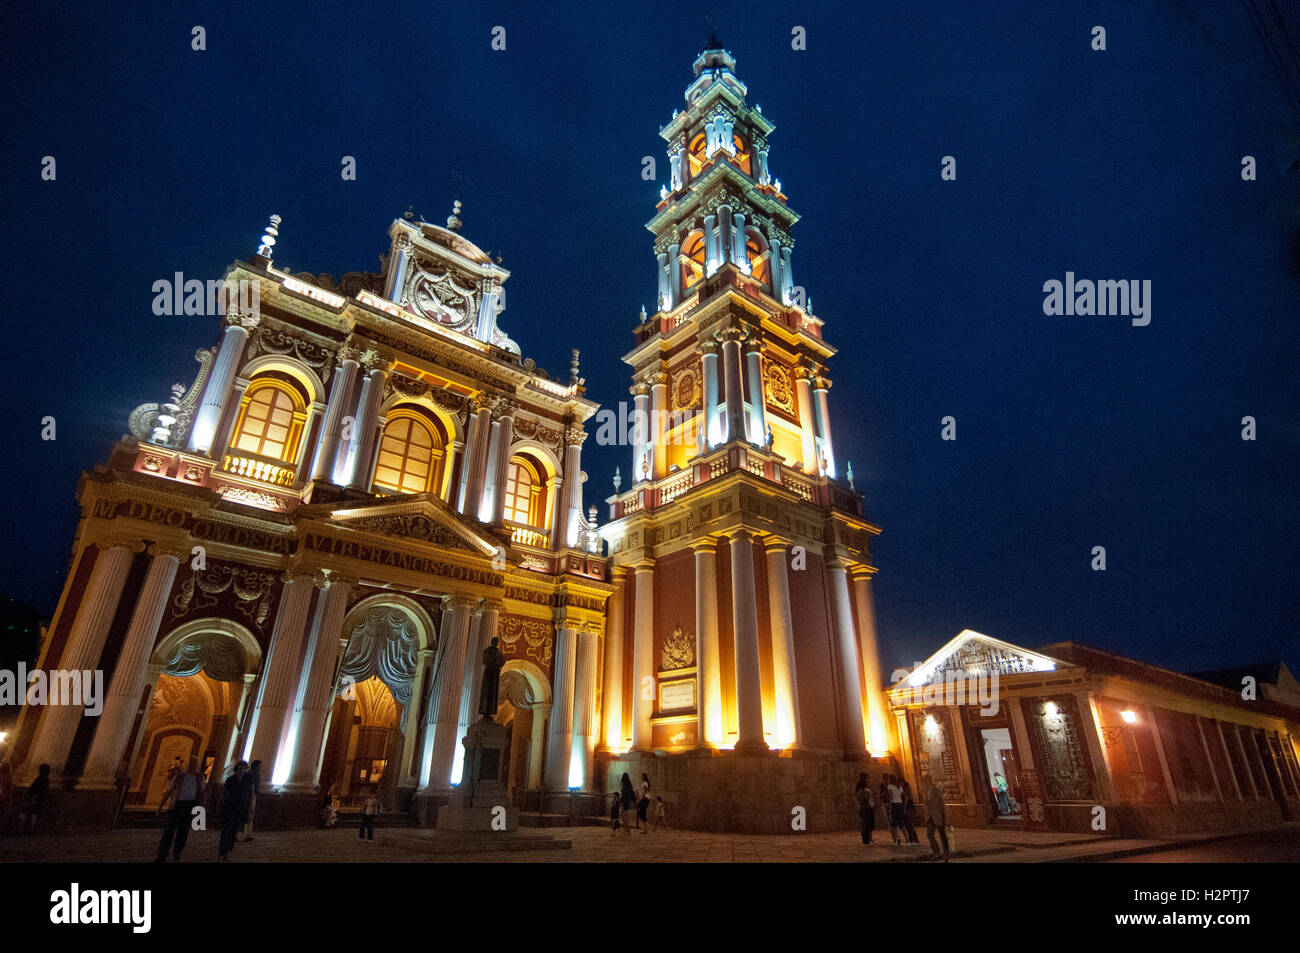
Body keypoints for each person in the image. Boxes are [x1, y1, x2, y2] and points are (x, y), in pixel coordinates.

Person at [155, 756, 206, 863]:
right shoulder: (180, 777)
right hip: (176, 806)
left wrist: (201, 809)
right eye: (191, 763)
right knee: (168, 832)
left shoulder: (200, 777)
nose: (192, 765)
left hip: (190, 806)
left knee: (183, 831)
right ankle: (162, 855)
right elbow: (169, 791)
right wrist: (160, 807)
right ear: (187, 765)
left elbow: (201, 793)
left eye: (195, 764)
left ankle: (177, 852)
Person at [218, 761, 252, 861]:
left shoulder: (248, 780)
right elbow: (224, 793)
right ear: (236, 769)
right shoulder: (230, 779)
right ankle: (221, 852)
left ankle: (227, 852)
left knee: (234, 831)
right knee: (226, 830)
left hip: (241, 809)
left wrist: (250, 807)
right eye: (240, 768)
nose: (242, 770)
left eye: (244, 768)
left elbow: (251, 793)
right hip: (230, 808)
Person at [886, 774, 919, 846]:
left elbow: (890, 798)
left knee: (894, 824)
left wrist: (889, 807)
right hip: (900, 805)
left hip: (894, 806)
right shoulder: (899, 787)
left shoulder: (890, 786)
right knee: (901, 823)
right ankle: (907, 839)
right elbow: (906, 797)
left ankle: (895, 840)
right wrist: (904, 806)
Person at [19, 763, 51, 834]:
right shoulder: (45, 779)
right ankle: (30, 828)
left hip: (33, 798)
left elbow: (31, 789)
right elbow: (44, 790)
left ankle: (23, 827)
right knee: (34, 813)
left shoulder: (38, 779)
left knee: (30, 812)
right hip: (37, 799)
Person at [923, 777, 950, 860]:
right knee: (930, 835)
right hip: (929, 817)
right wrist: (926, 816)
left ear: (929, 781)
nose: (925, 783)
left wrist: (946, 819)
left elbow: (942, 805)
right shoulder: (926, 792)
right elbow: (927, 805)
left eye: (925, 781)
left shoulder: (936, 791)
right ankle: (936, 852)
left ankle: (946, 852)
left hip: (938, 816)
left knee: (942, 835)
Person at [241, 760, 261, 841]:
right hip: (251, 796)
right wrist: (255, 794)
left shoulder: (249, 773)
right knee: (249, 814)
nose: (261, 768)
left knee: (249, 814)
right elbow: (253, 786)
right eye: (260, 766)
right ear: (256, 766)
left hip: (249, 796)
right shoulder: (254, 774)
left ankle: (247, 833)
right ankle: (247, 834)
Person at [854, 773, 875, 845]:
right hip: (865, 807)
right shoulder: (863, 791)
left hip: (863, 808)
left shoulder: (859, 791)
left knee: (865, 824)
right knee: (866, 824)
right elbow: (866, 798)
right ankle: (867, 840)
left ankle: (866, 840)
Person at [879, 775, 898, 845]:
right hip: (885, 803)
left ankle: (896, 837)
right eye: (885, 779)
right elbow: (880, 795)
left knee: (893, 821)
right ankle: (894, 837)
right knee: (889, 822)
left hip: (892, 804)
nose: (886, 781)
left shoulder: (891, 786)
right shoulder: (882, 786)